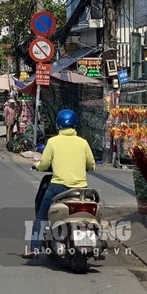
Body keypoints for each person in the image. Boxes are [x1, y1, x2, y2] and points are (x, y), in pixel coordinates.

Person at [25, 109, 95, 259]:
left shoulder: (53, 142)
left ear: (58, 124)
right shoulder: (83, 143)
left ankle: (34, 248)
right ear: (75, 124)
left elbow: (44, 164)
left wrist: (37, 165)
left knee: (42, 216)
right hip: (80, 189)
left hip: (59, 187)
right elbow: (91, 164)